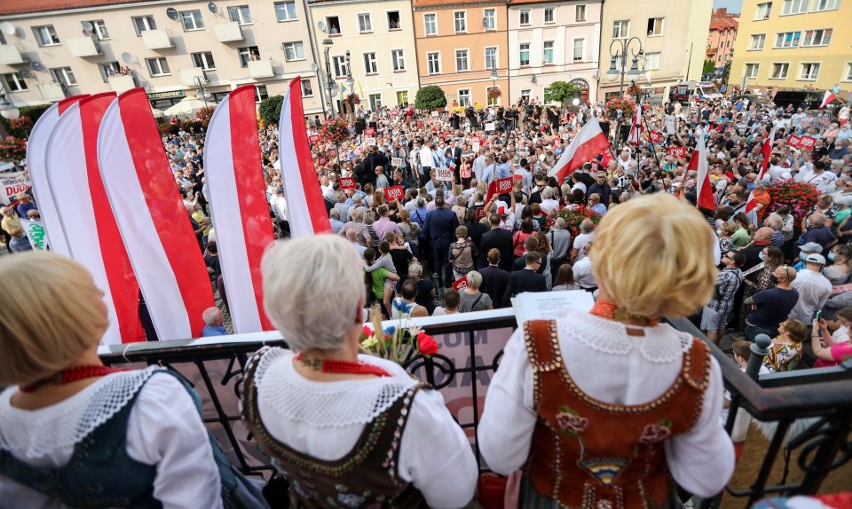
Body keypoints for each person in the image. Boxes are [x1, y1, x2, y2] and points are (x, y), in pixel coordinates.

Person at [478, 193, 734, 507]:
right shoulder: (697, 362)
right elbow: (705, 478)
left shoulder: (537, 342)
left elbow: (500, 456)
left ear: (606, 259)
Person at [0, 252, 253, 508]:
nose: (101, 294)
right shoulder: (151, 396)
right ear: (71, 314)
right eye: (88, 288)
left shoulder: (5, 419)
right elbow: (199, 500)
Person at [243, 235, 477, 507]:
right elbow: (456, 494)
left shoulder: (258, 372)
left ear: (277, 313)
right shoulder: (404, 406)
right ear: (358, 312)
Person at [744, 265, 799, 341]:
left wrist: (755, 302)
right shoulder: (795, 293)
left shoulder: (768, 294)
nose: (772, 273)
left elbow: (746, 301)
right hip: (776, 327)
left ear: (783, 279)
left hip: (758, 327)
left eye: (775, 273)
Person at [701, 250, 745, 345]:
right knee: (721, 327)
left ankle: (711, 349)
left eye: (726, 256)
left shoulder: (725, 275)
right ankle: (717, 345)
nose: (724, 255)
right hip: (727, 304)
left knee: (711, 329)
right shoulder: (739, 271)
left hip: (715, 305)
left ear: (732, 261)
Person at [788, 253, 832, 325]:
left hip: (786, 314)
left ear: (805, 263)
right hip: (805, 319)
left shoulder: (794, 277)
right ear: (822, 266)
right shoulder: (827, 284)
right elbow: (819, 307)